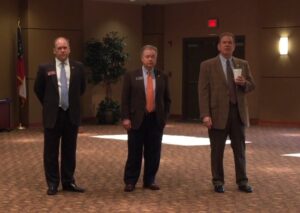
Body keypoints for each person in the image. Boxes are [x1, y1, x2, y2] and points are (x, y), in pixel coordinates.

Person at [198, 32, 255, 193]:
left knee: (240, 151)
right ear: (219, 46)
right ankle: (218, 181)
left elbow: (252, 85)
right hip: (216, 115)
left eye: (230, 42)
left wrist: (244, 83)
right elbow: (203, 92)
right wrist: (205, 114)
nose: (227, 45)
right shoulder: (207, 65)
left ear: (234, 46)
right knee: (217, 151)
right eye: (224, 42)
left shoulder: (242, 64)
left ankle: (242, 181)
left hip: (238, 113)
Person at [34, 37, 86, 195]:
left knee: (69, 150)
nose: (63, 50)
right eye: (59, 48)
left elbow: (81, 89)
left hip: (71, 114)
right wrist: (50, 104)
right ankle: (52, 183)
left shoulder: (78, 67)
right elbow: (38, 90)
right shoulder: (44, 68)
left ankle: (68, 182)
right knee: (50, 151)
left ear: (69, 49)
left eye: (65, 47)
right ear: (54, 50)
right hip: (53, 115)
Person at [121, 45, 171, 192]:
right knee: (134, 152)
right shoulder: (131, 75)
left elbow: (167, 99)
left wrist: (164, 118)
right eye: (147, 56)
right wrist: (125, 118)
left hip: (155, 120)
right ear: (142, 58)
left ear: (156, 58)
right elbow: (125, 99)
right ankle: (130, 181)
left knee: (154, 152)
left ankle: (150, 180)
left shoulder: (162, 76)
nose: (150, 59)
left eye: (153, 57)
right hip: (136, 120)